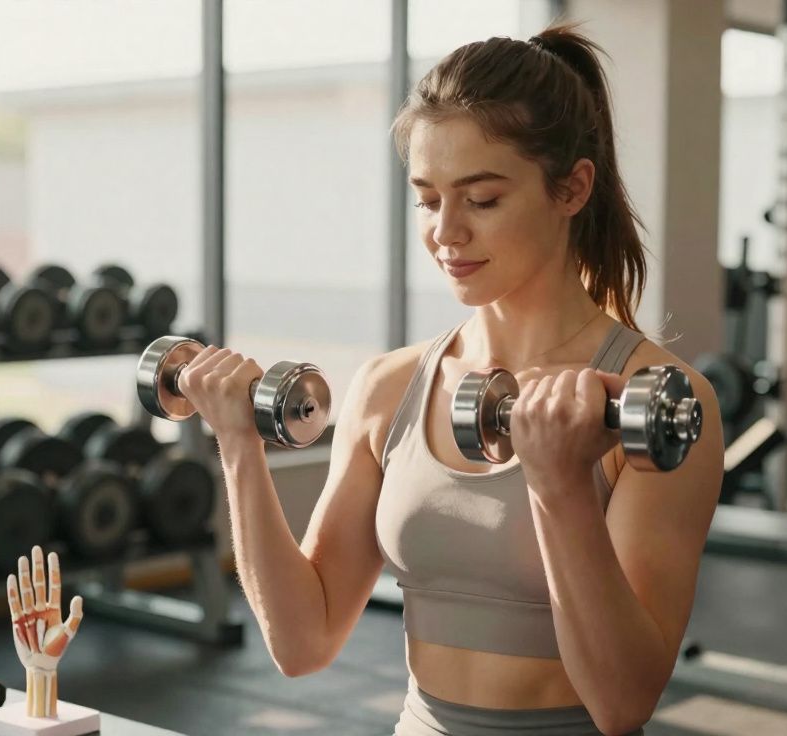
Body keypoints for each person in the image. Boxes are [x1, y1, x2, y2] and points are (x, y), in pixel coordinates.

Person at [176, 24, 723, 736]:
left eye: (483, 199)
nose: (445, 232)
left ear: (573, 188)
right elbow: (302, 642)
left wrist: (561, 486)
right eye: (428, 198)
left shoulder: (654, 399)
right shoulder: (390, 385)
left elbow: (622, 705)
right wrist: (237, 445)